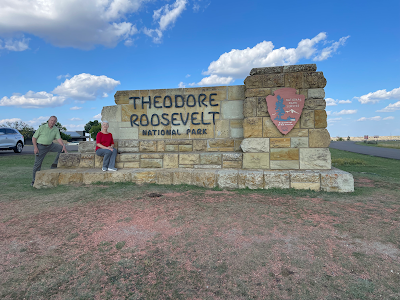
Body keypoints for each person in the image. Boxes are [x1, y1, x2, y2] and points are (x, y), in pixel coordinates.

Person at [32, 116, 68, 186]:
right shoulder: (42, 127)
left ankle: (54, 164)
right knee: (37, 164)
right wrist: (35, 148)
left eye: (54, 121)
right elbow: (34, 138)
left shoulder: (56, 129)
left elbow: (58, 138)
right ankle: (34, 181)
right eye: (51, 120)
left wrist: (63, 146)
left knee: (61, 149)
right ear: (48, 120)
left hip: (50, 145)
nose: (52, 122)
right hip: (41, 146)